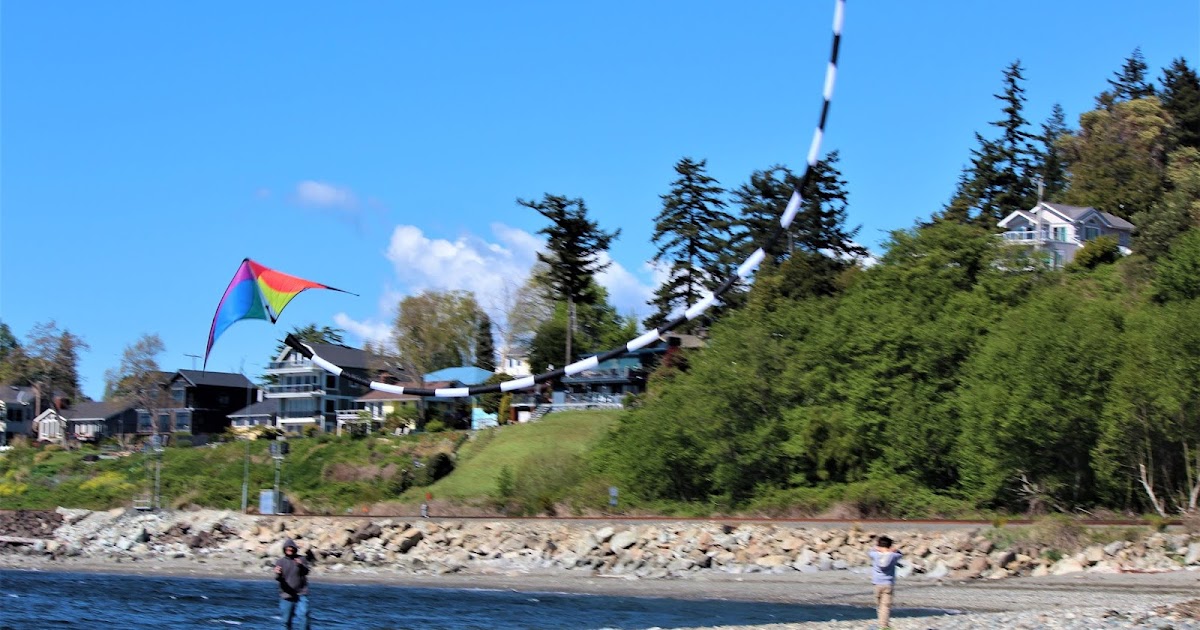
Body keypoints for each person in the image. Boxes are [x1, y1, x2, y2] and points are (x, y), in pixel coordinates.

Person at [274, 538, 310, 630]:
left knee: (303, 615)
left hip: (301, 593)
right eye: (287, 549)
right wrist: (277, 574)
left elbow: (306, 571)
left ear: (295, 549)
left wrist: (300, 565)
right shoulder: (280, 562)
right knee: (286, 621)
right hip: (286, 595)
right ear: (284, 549)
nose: (289, 550)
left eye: (291, 549)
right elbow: (278, 579)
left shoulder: (301, 559)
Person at [868, 535, 902, 630]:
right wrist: (894, 550)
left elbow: (870, 552)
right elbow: (900, 554)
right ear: (890, 546)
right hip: (888, 583)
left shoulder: (875, 554)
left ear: (879, 545)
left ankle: (881, 624)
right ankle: (884, 625)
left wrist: (876, 548)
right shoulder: (894, 556)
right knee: (885, 606)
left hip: (877, 583)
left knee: (879, 605)